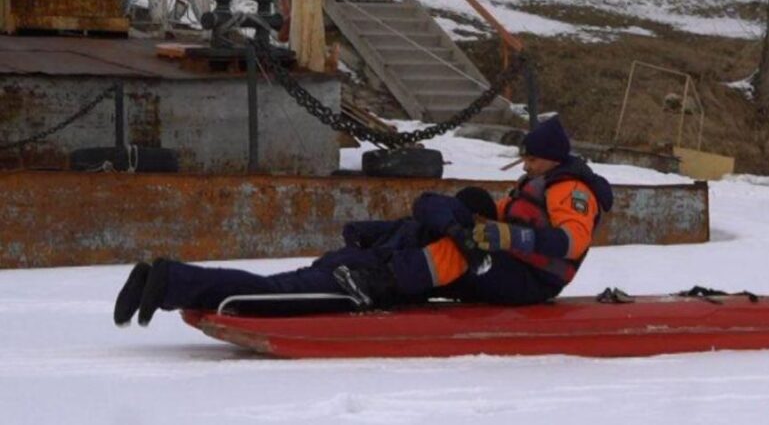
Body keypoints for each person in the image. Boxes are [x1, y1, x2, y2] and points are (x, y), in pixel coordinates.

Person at [113, 187, 498, 327]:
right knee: (265, 295)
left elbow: (357, 231)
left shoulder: (420, 222)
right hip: (353, 285)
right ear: (476, 217)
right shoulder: (455, 239)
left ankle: (155, 280)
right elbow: (412, 275)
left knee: (271, 287)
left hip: (339, 265)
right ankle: (169, 281)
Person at [336, 115, 614, 308]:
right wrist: (472, 214)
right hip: (515, 263)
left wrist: (511, 237)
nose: (525, 166)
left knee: (455, 255)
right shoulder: (536, 182)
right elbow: (500, 212)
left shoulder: (571, 190)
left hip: (533, 280)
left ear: (552, 159)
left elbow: (574, 242)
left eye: (532, 160)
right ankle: (368, 242)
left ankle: (379, 281)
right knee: (453, 208)